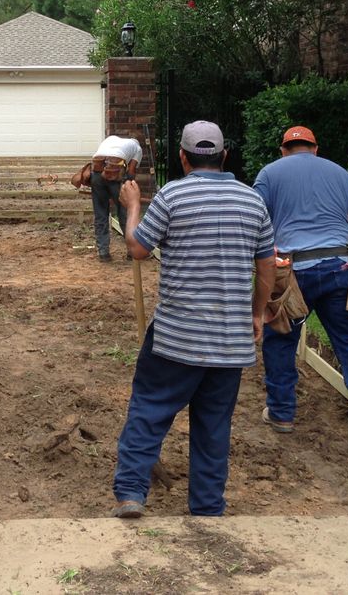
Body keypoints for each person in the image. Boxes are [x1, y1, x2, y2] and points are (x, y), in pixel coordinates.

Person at [112, 121, 275, 518]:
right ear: (224, 156)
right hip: (230, 340)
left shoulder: (172, 195)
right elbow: (267, 264)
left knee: (150, 409)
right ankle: (207, 506)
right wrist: (256, 312)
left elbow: (137, 248)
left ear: (183, 157)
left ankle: (131, 492)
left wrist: (132, 206)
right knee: (214, 425)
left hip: (176, 336)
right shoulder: (252, 201)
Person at [252, 125, 348, 450]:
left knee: (280, 339)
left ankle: (281, 414)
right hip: (338, 269)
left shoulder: (269, 174)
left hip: (292, 273)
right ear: (315, 148)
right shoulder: (341, 174)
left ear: (283, 150)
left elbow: (256, 222)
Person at [89, 135, 143, 263]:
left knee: (100, 213)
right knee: (125, 213)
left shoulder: (111, 140)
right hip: (115, 172)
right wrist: (126, 191)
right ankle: (132, 252)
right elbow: (131, 172)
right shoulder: (137, 148)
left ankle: (103, 252)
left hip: (96, 173)